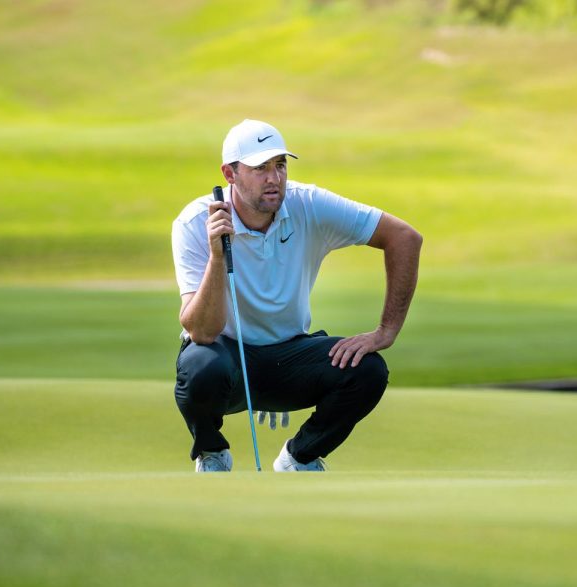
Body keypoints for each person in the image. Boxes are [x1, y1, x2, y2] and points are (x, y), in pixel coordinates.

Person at [171, 119, 422, 472]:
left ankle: (300, 458)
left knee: (367, 371)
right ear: (230, 174)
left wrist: (386, 332)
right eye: (260, 168)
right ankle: (213, 454)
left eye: (280, 165)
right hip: (225, 359)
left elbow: (404, 238)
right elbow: (202, 332)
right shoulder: (194, 223)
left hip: (289, 357)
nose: (274, 178)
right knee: (200, 367)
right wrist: (217, 253)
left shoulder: (309, 204)